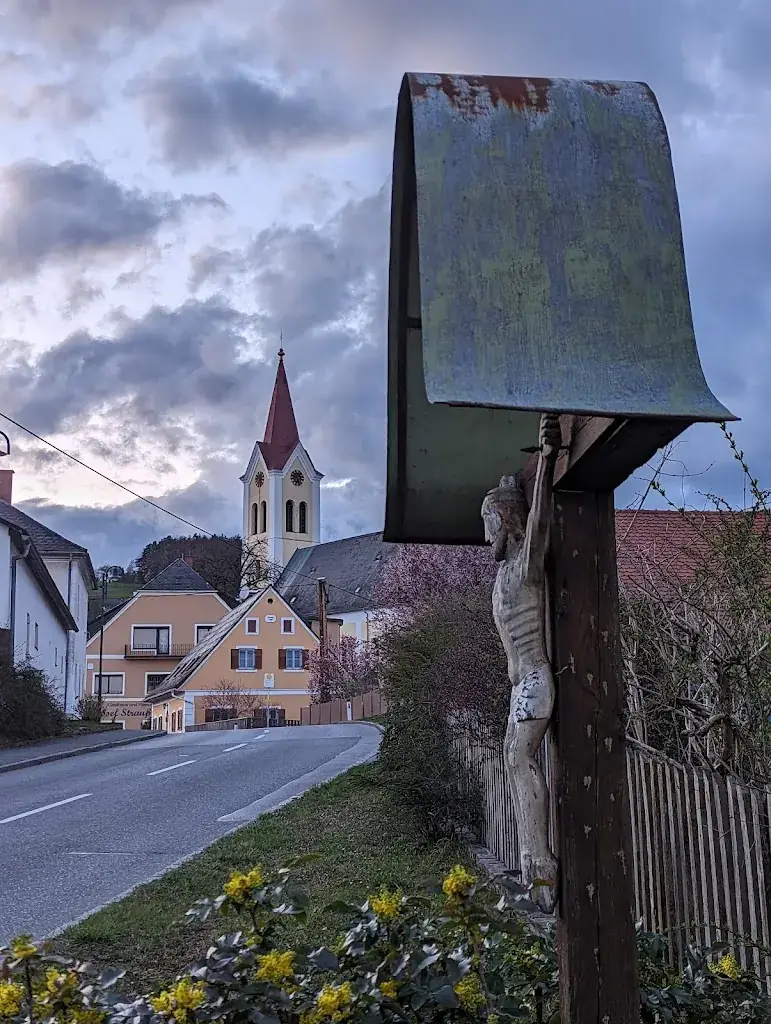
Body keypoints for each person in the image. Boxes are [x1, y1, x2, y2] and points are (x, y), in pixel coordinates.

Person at [481, 412, 561, 912]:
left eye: (488, 518)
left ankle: (540, 859)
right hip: (520, 685)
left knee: (517, 758)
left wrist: (548, 463)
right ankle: (535, 857)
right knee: (511, 758)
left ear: (505, 519)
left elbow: (541, 523)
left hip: (536, 679)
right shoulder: (502, 576)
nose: (484, 528)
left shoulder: (526, 569)